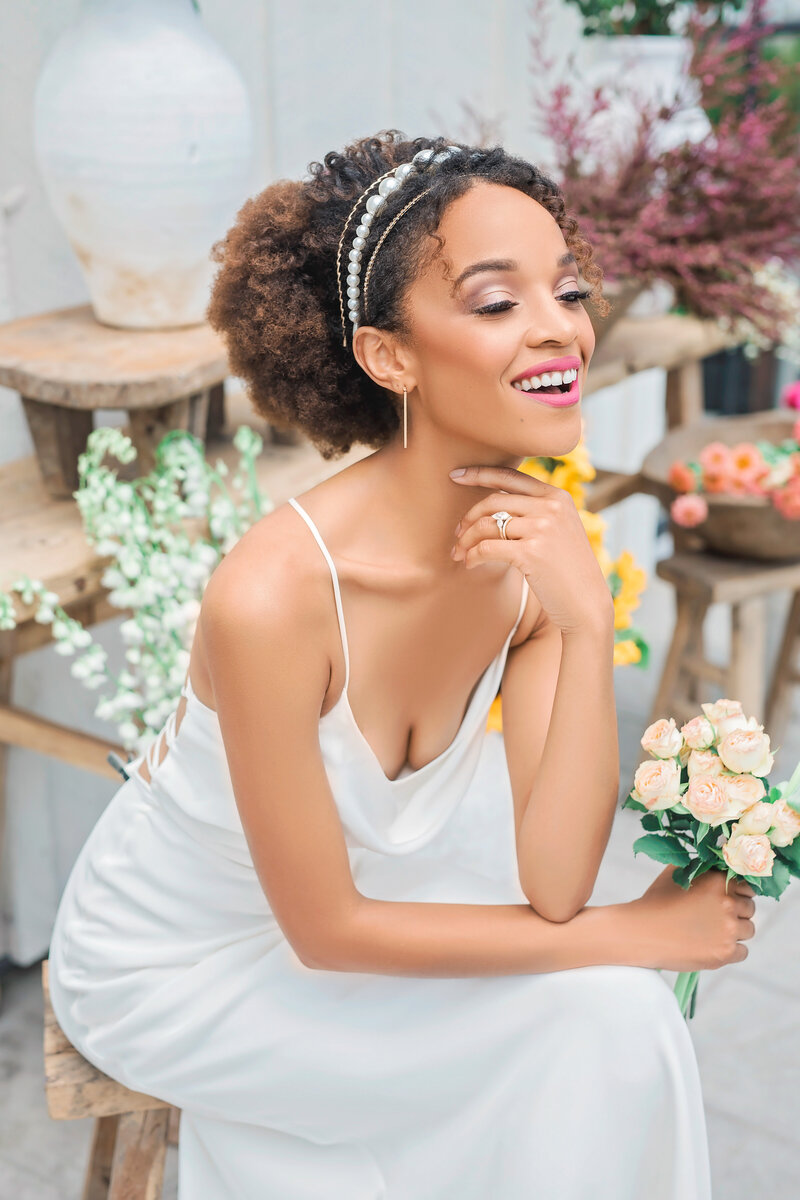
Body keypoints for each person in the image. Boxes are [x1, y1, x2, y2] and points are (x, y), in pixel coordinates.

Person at [47, 131, 756, 1200]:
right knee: (598, 1012)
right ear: (389, 357)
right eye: (493, 301)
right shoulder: (273, 595)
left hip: (372, 909)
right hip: (183, 969)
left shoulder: (534, 556)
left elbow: (554, 889)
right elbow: (326, 931)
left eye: (565, 290)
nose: (558, 326)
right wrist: (638, 931)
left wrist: (576, 618)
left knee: (616, 1020)